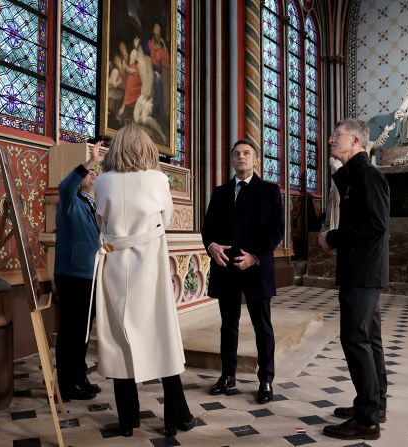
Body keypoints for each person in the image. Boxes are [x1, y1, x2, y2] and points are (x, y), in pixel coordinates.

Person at [90, 124, 195, 437]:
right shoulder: (158, 179)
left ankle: (128, 419)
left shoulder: (104, 181)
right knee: (160, 336)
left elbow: (100, 219)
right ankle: (175, 416)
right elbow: (167, 214)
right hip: (149, 267)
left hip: (113, 264)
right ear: (146, 148)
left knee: (118, 338)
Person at [317, 119, 389, 440]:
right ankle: (374, 403)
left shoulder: (368, 175)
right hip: (361, 271)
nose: (331, 140)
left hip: (362, 272)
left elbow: (375, 225)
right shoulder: (353, 175)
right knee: (369, 339)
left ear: (357, 140)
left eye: (337, 135)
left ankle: (367, 419)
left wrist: (332, 237)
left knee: (354, 339)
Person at [202, 139, 285, 404]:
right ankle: (228, 376)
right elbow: (208, 229)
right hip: (226, 267)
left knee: (263, 326)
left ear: (255, 159)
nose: (241, 157)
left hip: (256, 268)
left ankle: (266, 380)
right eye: (237, 153)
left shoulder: (270, 191)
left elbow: (276, 231)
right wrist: (212, 246)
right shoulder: (220, 192)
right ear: (231, 159)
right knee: (228, 325)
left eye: (247, 153)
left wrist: (256, 256)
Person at [54, 141, 104, 401]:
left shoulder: (93, 206)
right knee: (71, 331)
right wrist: (90, 162)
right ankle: (66, 383)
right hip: (72, 275)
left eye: (95, 173)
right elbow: (65, 185)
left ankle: (79, 376)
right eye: (89, 173)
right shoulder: (70, 201)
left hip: (92, 276)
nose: (92, 175)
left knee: (83, 332)